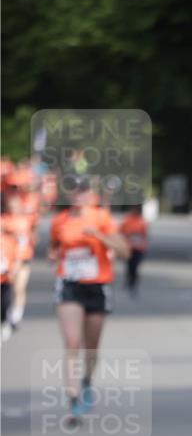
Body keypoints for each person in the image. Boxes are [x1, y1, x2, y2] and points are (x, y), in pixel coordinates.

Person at [48, 178, 130, 423]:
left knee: (91, 346)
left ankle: (86, 381)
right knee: (72, 342)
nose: (79, 195)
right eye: (74, 190)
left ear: (91, 194)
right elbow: (53, 248)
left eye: (84, 191)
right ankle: (73, 399)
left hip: (97, 285)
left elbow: (124, 251)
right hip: (69, 284)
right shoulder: (59, 221)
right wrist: (53, 254)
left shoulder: (101, 218)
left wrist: (99, 237)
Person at [2, 188, 38, 330]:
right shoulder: (3, 220)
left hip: (23, 258)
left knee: (19, 288)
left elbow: (33, 237)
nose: (13, 209)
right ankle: (6, 313)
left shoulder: (27, 220)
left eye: (16, 206)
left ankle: (16, 316)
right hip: (8, 261)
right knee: (6, 289)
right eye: (11, 206)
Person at [0, 200, 21, 342]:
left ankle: (8, 320)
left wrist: (13, 270)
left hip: (5, 279)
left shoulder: (8, 241)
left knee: (4, 304)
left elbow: (17, 258)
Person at [120, 205, 148, 295]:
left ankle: (133, 282)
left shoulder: (142, 220)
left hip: (138, 248)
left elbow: (144, 234)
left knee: (135, 266)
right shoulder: (127, 219)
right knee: (129, 265)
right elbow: (121, 231)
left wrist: (143, 245)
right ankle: (128, 280)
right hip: (128, 247)